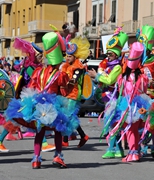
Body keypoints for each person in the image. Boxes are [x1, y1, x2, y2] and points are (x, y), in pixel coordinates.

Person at [4, 32, 79, 168]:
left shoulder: (38, 72)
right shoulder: (60, 74)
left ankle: (36, 159)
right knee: (58, 130)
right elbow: (63, 91)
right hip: (53, 106)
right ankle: (57, 156)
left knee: (40, 132)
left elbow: (31, 87)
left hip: (38, 104)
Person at [106, 42, 151, 162]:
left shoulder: (123, 77)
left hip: (128, 106)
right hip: (140, 105)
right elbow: (145, 90)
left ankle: (132, 153)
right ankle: (135, 151)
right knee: (134, 130)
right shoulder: (142, 77)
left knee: (130, 130)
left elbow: (121, 91)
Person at [88, 27, 128, 159]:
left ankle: (111, 149)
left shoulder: (117, 67)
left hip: (114, 98)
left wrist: (98, 76)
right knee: (113, 124)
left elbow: (110, 80)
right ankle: (119, 149)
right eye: (108, 54)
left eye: (110, 54)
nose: (108, 57)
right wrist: (95, 77)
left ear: (116, 55)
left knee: (111, 124)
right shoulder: (109, 66)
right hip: (109, 98)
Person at [137, 25, 154, 158]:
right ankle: (142, 146)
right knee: (140, 122)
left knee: (153, 123)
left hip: (152, 97)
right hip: (139, 97)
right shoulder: (136, 62)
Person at [61, 35, 90, 148]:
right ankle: (83, 136)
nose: (67, 58)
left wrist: (65, 81)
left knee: (67, 116)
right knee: (69, 116)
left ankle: (65, 140)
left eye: (70, 56)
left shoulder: (78, 67)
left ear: (75, 56)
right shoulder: (68, 65)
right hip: (67, 94)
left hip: (73, 95)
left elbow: (74, 79)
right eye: (67, 56)